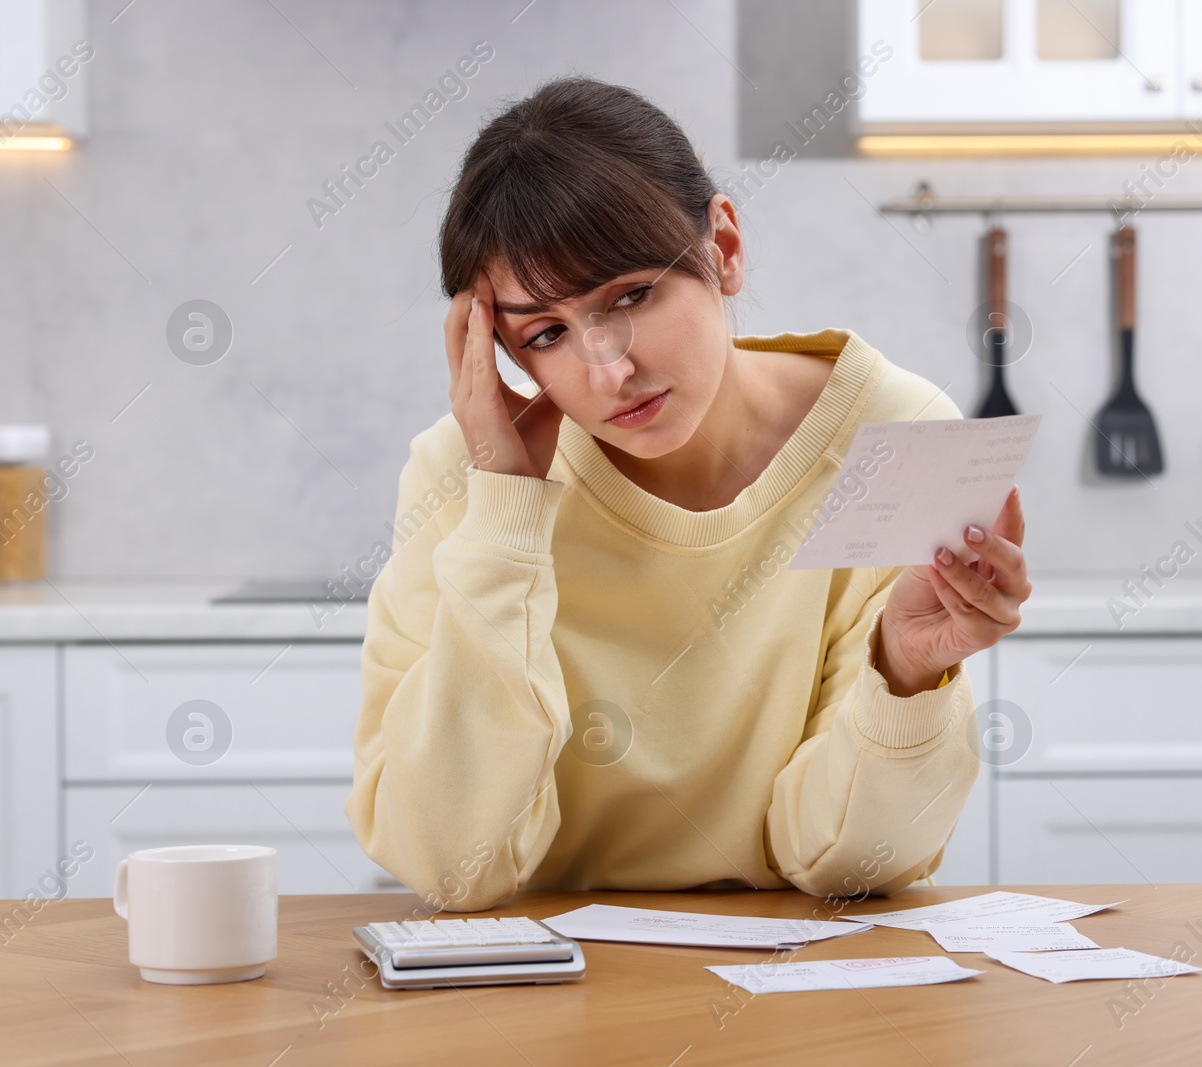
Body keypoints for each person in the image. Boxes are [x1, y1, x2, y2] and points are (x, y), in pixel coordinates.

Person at [344, 76, 1032, 913]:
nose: (608, 369)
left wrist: (906, 673)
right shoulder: (467, 473)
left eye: (631, 295)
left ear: (725, 249)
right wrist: (504, 518)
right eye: (547, 333)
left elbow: (851, 867)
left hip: (797, 987)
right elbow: (451, 865)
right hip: (550, 988)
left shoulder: (897, 436)